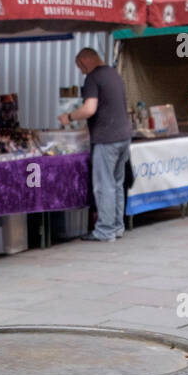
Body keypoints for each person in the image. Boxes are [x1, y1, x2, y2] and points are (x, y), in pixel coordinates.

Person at [60, 46, 132, 242]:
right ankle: (117, 226)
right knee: (117, 184)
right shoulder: (114, 74)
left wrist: (69, 116)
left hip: (106, 139)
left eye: (80, 66)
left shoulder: (92, 78)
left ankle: (105, 230)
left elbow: (89, 109)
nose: (81, 71)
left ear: (86, 61)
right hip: (124, 136)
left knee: (104, 185)